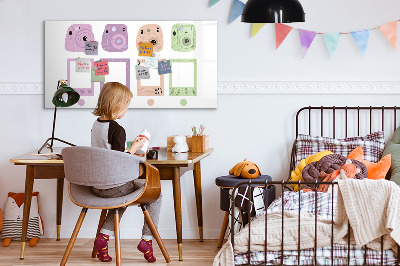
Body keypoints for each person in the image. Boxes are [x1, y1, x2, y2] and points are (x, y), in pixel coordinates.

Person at [91, 82, 161, 263]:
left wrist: (130, 149)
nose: (126, 110)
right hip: (114, 186)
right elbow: (119, 160)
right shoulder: (117, 129)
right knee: (156, 194)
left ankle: (103, 238)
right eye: (126, 106)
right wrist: (136, 148)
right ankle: (147, 240)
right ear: (117, 105)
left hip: (97, 186)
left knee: (121, 197)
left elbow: (108, 154)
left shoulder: (96, 125)